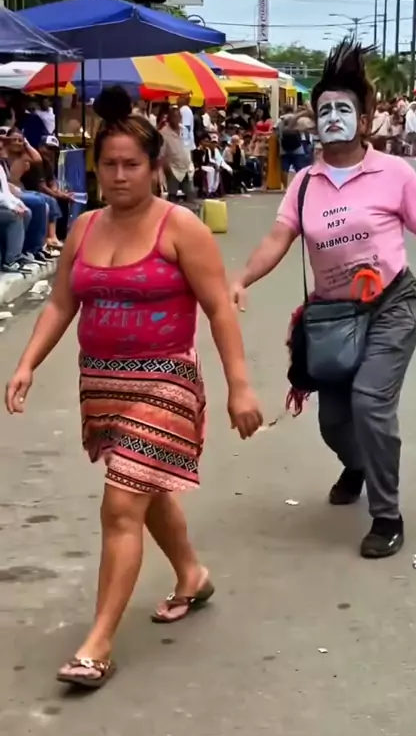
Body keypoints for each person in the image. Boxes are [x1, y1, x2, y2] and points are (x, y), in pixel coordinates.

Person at [5, 85, 263, 689]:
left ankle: (97, 645)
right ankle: (192, 575)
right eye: (109, 165)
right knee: (145, 487)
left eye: (131, 165)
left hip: (165, 381)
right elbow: (61, 303)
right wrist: (27, 363)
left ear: (154, 167)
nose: (119, 176)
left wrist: (240, 387)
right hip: (102, 383)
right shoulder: (83, 227)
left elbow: (219, 309)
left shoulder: (181, 228)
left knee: (122, 504)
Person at [230, 37, 416, 560]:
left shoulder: (395, 174)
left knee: (370, 401)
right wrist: (241, 279)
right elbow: (277, 240)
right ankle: (359, 464)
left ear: (364, 120)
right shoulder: (304, 184)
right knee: (334, 422)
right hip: (334, 317)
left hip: (392, 305)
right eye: (325, 111)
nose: (334, 118)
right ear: (315, 122)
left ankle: (387, 515)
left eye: (344, 109)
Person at [161, 105, 198, 213]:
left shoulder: (184, 129)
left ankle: (191, 216)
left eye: (178, 117)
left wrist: (191, 162)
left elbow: (189, 146)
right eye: (174, 117)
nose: (176, 119)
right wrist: (166, 167)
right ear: (169, 118)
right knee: (172, 196)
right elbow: (162, 153)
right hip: (173, 168)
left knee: (190, 193)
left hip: (186, 166)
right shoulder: (164, 133)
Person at [277, 105, 307, 189]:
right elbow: (302, 131)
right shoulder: (297, 120)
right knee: (299, 168)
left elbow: (278, 134)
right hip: (297, 147)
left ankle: (285, 187)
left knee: (284, 168)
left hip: (284, 148)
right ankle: (301, 185)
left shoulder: (280, 121)